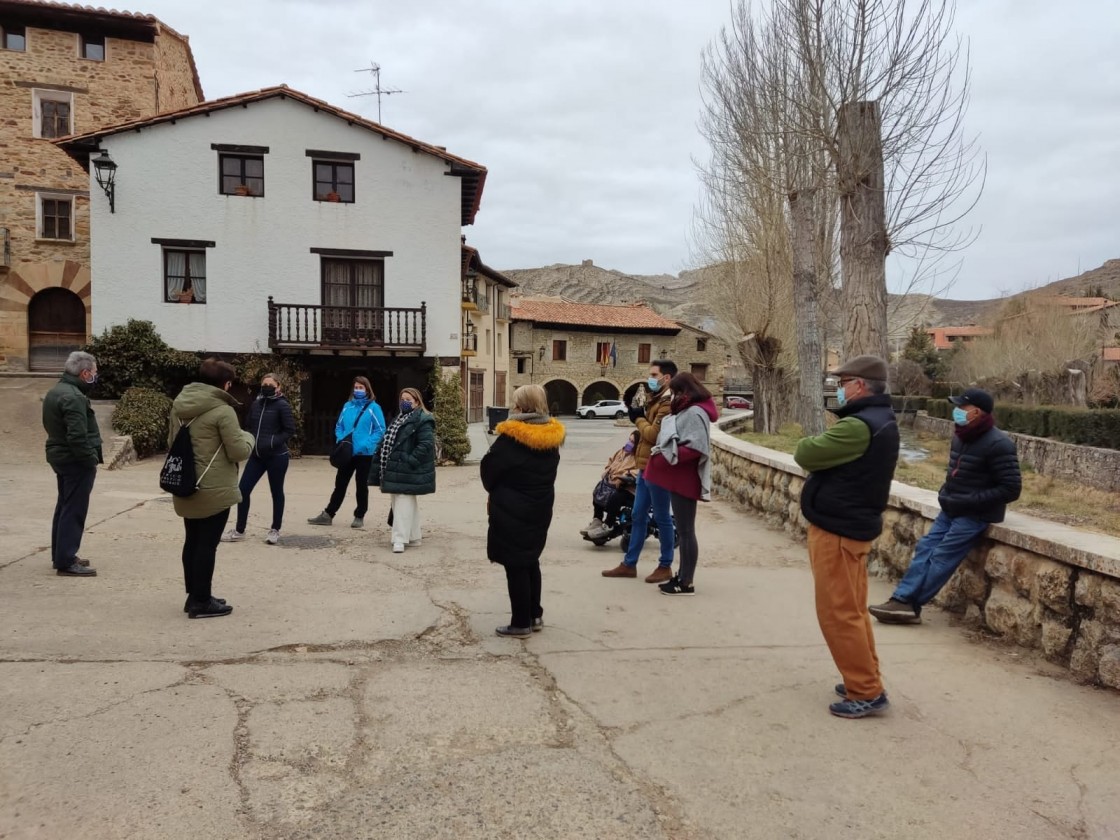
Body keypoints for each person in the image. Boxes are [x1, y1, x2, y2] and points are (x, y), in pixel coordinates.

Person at [793, 355, 899, 719]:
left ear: (859, 385)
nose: (837, 388)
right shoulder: (879, 419)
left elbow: (805, 452)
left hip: (838, 529)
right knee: (852, 611)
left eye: (842, 382)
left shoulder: (858, 426)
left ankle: (865, 690)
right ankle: (865, 677)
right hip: (850, 526)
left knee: (838, 614)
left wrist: (815, 443)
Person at [871, 388, 1021, 624]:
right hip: (951, 508)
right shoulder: (960, 436)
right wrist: (946, 494)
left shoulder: (999, 444)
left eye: (962, 407)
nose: (957, 411)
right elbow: (955, 473)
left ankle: (910, 604)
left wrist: (970, 501)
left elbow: (1011, 489)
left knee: (941, 557)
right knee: (925, 549)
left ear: (977, 412)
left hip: (974, 515)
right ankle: (901, 600)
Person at [168, 358, 254, 618]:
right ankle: (201, 601)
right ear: (225, 384)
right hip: (213, 487)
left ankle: (194, 594)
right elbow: (238, 450)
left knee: (192, 540)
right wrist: (249, 437)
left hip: (185, 481)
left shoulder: (179, 405)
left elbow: (171, 441)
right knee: (207, 545)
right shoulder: (222, 410)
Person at [481, 383, 566, 638]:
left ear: (522, 406)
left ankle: (520, 622)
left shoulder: (512, 438)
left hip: (512, 508)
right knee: (530, 559)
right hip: (540, 505)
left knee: (515, 564)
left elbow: (489, 471)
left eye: (515, 401)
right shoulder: (551, 437)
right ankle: (534, 614)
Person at [601, 359, 677, 583]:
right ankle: (629, 563)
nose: (650, 379)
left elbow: (654, 434)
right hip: (645, 467)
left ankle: (665, 565)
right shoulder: (657, 399)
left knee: (662, 517)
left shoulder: (667, 402)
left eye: (654, 375)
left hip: (659, 466)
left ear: (667, 378)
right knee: (637, 515)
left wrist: (638, 418)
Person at [643, 372, 719, 595]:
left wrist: (666, 454)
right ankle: (683, 576)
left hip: (685, 479)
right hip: (681, 478)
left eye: (676, 392)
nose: (673, 396)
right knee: (685, 531)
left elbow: (697, 448)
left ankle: (686, 582)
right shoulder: (690, 409)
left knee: (686, 531)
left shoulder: (695, 412)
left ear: (685, 391)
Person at [43, 350, 102, 577]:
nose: (96, 376)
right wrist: (90, 459)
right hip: (74, 460)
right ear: (85, 373)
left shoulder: (56, 391)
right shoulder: (74, 396)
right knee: (74, 509)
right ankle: (66, 560)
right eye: (94, 372)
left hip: (60, 456)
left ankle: (61, 554)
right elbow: (77, 436)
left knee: (64, 505)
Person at [222, 373, 297, 545]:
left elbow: (289, 430)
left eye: (271, 385)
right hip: (256, 457)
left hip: (277, 457)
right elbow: (249, 425)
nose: (267, 387)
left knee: (276, 492)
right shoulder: (256, 404)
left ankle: (275, 529)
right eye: (264, 384)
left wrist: (271, 441)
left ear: (278, 387)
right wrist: (249, 440)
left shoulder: (282, 405)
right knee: (242, 490)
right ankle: (240, 530)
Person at [308, 376, 385, 529]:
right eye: (356, 387)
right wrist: (341, 439)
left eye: (361, 388)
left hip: (364, 454)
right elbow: (339, 426)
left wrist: (366, 444)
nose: (358, 390)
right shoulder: (347, 406)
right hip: (347, 452)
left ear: (367, 390)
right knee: (340, 484)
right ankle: (328, 514)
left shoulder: (374, 408)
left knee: (361, 485)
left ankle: (359, 515)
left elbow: (381, 430)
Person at [374, 387, 436, 553]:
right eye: (403, 399)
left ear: (417, 402)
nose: (405, 402)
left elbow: (426, 444)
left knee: (402, 502)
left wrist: (410, 460)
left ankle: (399, 539)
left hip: (406, 467)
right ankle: (414, 536)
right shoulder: (400, 417)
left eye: (408, 399)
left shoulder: (422, 419)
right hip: (394, 467)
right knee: (403, 502)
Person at [581, 431, 639, 540]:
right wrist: (607, 471)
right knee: (598, 490)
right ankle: (597, 520)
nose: (629, 443)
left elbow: (638, 472)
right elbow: (610, 462)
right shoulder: (621, 452)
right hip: (612, 482)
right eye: (629, 440)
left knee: (616, 497)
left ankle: (609, 525)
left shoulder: (638, 457)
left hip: (628, 488)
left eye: (633, 442)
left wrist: (626, 476)